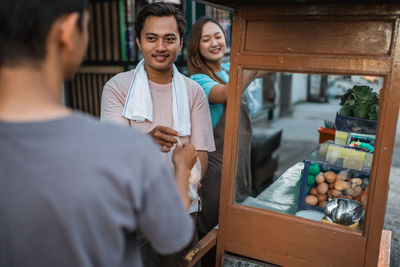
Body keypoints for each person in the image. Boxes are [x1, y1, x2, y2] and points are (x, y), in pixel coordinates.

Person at [0, 1, 198, 266]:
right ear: (68, 31)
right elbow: (173, 235)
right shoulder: (126, 148)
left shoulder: (189, 92)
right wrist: (183, 168)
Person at [101, 3, 215, 184]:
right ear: (139, 42)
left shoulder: (195, 92)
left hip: (183, 201)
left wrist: (186, 187)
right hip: (135, 199)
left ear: (180, 44)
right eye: (152, 38)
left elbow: (200, 155)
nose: (160, 47)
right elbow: (114, 151)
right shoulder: (116, 88)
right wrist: (147, 141)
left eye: (169, 39)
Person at [187, 16, 265, 266]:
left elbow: (269, 65)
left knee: (238, 225)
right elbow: (226, 93)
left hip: (240, 160)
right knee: (215, 227)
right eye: (205, 39)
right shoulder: (198, 79)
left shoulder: (231, 69)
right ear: (195, 46)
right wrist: (251, 61)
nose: (214, 43)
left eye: (218, 36)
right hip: (216, 168)